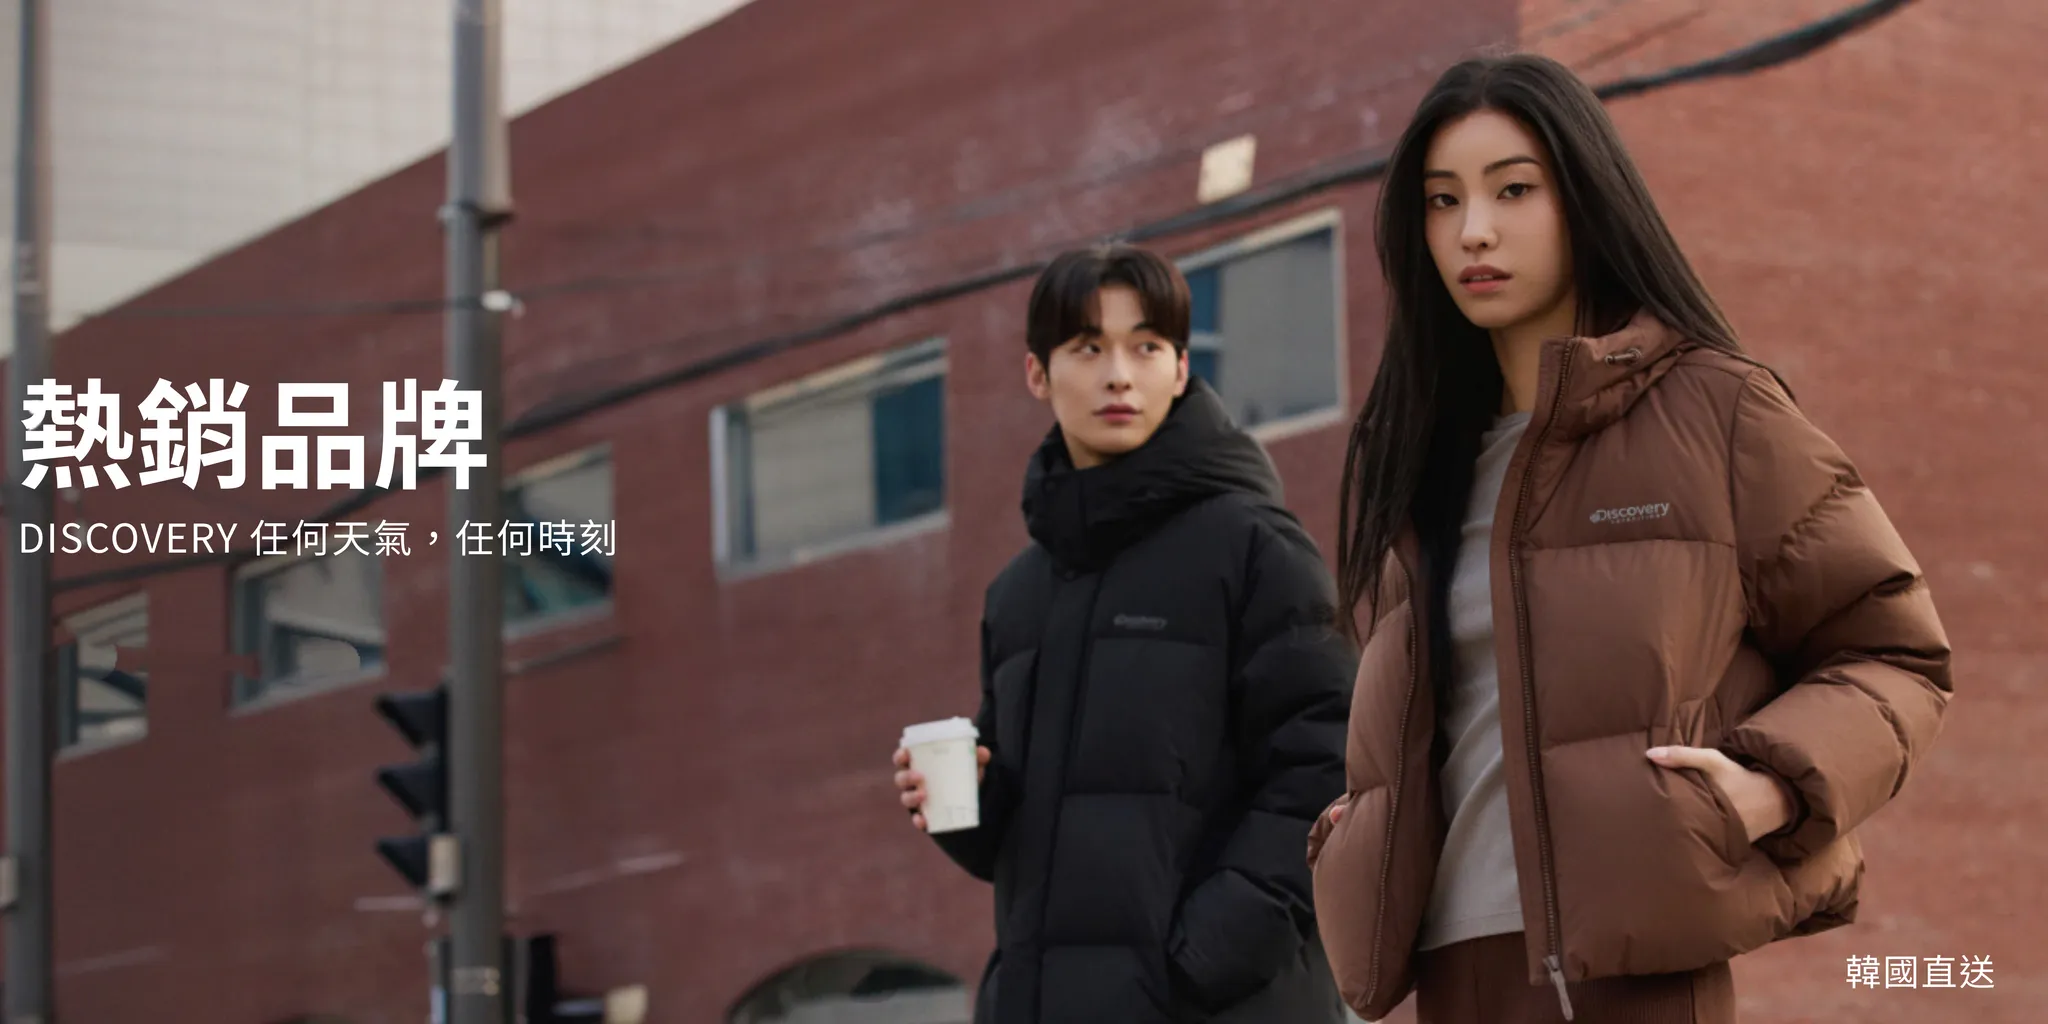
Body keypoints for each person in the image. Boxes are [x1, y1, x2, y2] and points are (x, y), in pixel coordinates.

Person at [1305, 53, 1953, 1024]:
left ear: (1584, 198)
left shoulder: (1717, 412)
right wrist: (1354, 828)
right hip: (1453, 964)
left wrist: (1768, 787)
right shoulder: (1421, 463)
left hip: (1633, 972)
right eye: (1442, 201)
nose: (1473, 229)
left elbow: (1896, 652)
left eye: (1513, 190)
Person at [891, 245, 1354, 1024]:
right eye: (1088, 348)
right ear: (1037, 373)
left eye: (1146, 347)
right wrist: (969, 800)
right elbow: (1035, 844)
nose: (1118, 375)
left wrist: (1197, 963)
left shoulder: (1253, 548)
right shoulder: (1018, 596)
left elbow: (1329, 767)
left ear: (1180, 368)